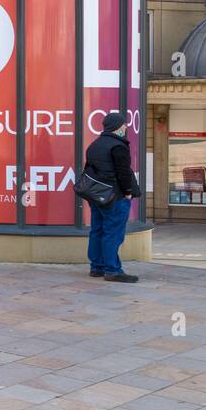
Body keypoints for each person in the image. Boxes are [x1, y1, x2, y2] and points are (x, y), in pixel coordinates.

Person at [83, 111, 140, 283]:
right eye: (124, 124)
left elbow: (89, 171)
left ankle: (96, 267)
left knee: (97, 230)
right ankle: (112, 270)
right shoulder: (118, 146)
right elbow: (123, 173)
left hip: (97, 196)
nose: (125, 127)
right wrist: (128, 191)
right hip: (116, 196)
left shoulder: (94, 145)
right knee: (113, 233)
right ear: (117, 126)